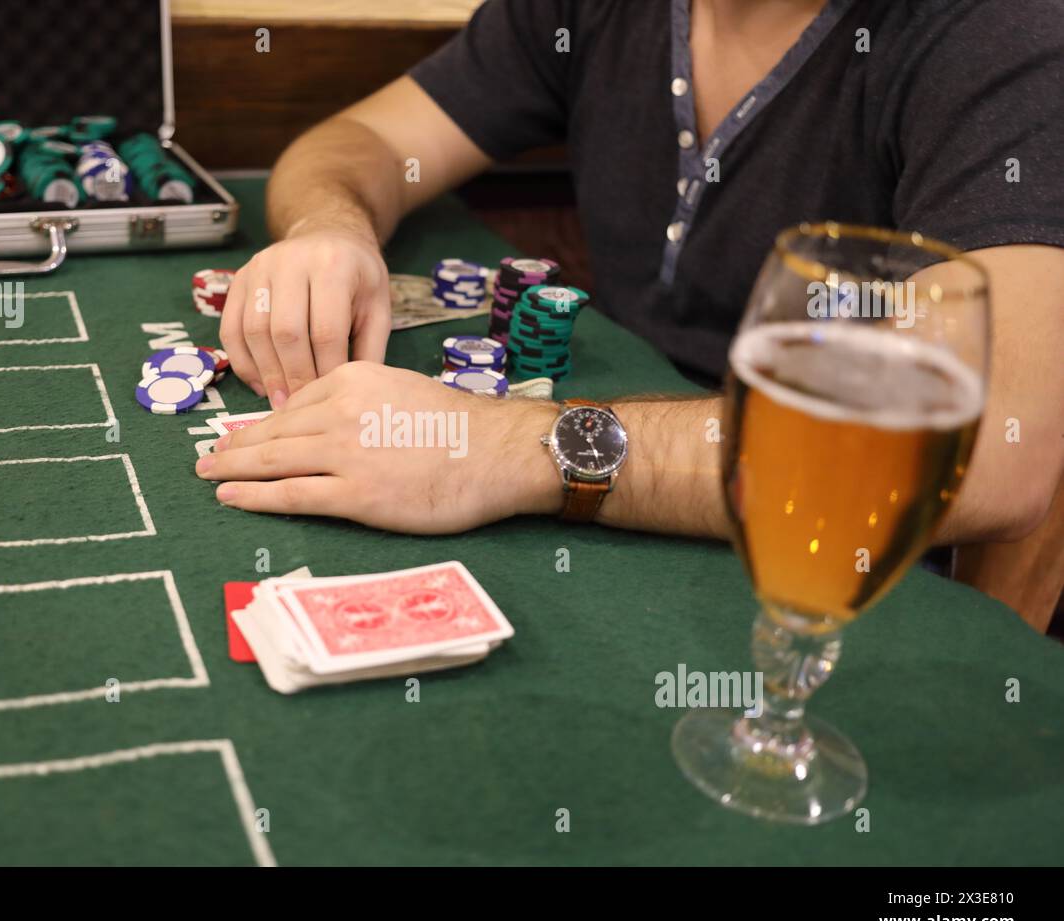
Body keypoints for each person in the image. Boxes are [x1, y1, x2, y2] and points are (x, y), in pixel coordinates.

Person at [200, 0, 1064, 542]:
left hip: (835, 555)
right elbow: (368, 144)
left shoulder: (1004, 32)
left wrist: (513, 447)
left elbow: (990, 451)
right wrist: (333, 226)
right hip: (617, 464)